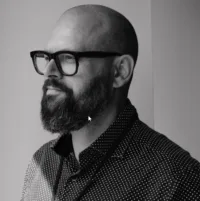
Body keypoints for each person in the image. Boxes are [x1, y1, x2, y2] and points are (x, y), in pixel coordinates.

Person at [21, 4, 200, 201]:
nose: (49, 71)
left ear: (119, 71)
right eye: (47, 57)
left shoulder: (177, 179)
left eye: (67, 57)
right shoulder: (42, 163)